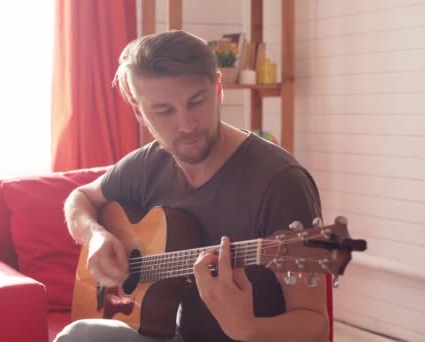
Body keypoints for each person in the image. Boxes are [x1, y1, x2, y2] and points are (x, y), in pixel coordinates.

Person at [55, 30, 329, 342]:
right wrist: (95, 236)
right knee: (79, 336)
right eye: (164, 111)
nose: (186, 125)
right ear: (138, 112)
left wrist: (246, 328)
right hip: (170, 334)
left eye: (196, 101)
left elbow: (315, 325)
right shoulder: (146, 166)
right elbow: (80, 198)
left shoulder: (281, 183)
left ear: (218, 88)